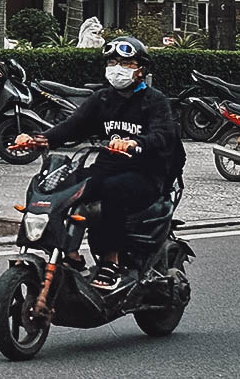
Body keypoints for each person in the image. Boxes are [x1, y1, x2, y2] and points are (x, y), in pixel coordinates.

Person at [13, 36, 181, 292]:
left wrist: (135, 143)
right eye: (113, 62)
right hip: (108, 166)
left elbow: (163, 134)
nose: (118, 68)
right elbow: (71, 127)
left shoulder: (154, 100)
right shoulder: (102, 99)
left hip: (146, 173)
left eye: (126, 63)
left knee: (114, 189)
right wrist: (37, 140)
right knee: (66, 185)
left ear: (141, 69)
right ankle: (69, 254)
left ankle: (110, 262)